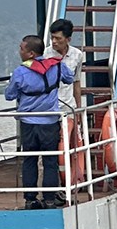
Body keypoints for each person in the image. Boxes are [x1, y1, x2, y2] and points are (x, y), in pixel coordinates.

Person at [5, 35, 74, 209]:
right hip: (50, 121)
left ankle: (30, 200)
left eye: (22, 48)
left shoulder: (20, 72)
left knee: (30, 160)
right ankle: (50, 199)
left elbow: (9, 95)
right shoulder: (56, 65)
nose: (19, 51)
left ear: (30, 54)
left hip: (28, 123)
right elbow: (69, 78)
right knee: (50, 161)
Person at [46, 18, 84, 111]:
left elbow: (76, 81)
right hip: (48, 106)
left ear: (68, 39)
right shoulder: (44, 55)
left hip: (68, 105)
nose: (54, 41)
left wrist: (79, 109)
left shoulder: (77, 54)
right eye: (52, 37)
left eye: (58, 38)